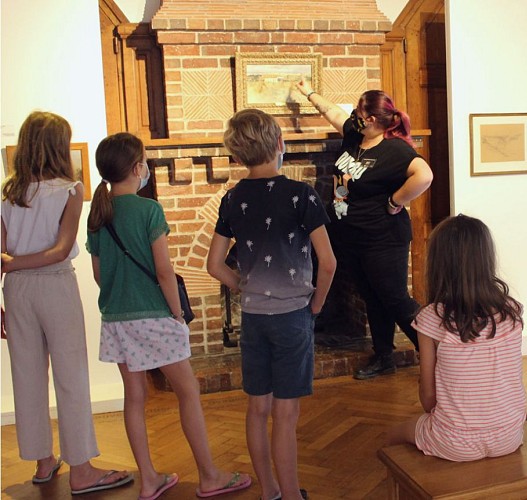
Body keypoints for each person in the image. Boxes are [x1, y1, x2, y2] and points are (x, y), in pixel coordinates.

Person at [86, 132, 251, 499]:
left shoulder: (98, 214)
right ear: (136, 167)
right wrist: (176, 314)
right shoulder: (148, 210)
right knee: (188, 392)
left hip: (115, 318)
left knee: (134, 397)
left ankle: (148, 479)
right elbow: (164, 271)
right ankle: (209, 475)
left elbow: (99, 274)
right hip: (156, 315)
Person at [1, 111, 133, 494]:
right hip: (54, 287)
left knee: (27, 375)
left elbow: (1, 255)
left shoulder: (9, 193)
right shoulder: (70, 189)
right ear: (59, 146)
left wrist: (10, 269)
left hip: (17, 290)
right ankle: (82, 470)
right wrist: (15, 263)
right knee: (70, 376)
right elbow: (60, 251)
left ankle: (44, 462)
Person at [206, 108, 336, 500]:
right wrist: (316, 306)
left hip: (253, 319)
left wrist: (242, 285)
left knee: (257, 407)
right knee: (285, 414)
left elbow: (213, 265)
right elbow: (328, 262)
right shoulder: (301, 195)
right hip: (293, 317)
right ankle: (293, 496)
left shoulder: (231, 199)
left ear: (237, 155)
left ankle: (270, 492)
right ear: (280, 144)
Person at [294, 80, 433, 380]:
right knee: (373, 296)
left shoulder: (394, 149)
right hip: (352, 237)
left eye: (358, 111)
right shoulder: (354, 136)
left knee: (395, 298)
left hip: (383, 238)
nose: (353, 115)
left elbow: (425, 175)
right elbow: (332, 112)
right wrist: (308, 92)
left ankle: (437, 355)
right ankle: (385, 356)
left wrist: (396, 200)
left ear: (371, 119)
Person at [386, 214, 526, 461]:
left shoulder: (431, 318)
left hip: (454, 442)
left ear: (438, 263)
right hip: (510, 436)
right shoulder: (512, 311)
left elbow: (428, 400)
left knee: (392, 435)